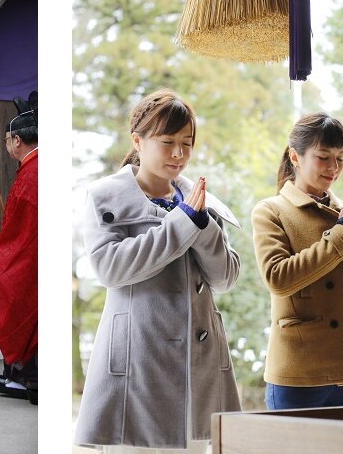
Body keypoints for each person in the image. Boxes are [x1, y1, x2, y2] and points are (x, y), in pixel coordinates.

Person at [74, 88, 242, 453]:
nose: (179, 154)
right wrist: (183, 223)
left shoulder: (202, 201)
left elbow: (225, 277)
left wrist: (202, 225)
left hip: (198, 366)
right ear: (138, 140)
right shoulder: (105, 197)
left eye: (187, 143)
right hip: (137, 366)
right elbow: (109, 268)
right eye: (168, 142)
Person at [251, 112, 343, 410]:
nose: (334, 167)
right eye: (323, 157)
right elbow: (278, 279)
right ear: (295, 157)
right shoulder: (271, 211)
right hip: (299, 372)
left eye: (340, 158)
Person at [0, 93, 39, 405]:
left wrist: (4, 257)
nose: (7, 145)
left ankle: (28, 380)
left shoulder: (31, 175)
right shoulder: (33, 170)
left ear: (17, 140)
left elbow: (21, 238)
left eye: (7, 140)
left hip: (31, 261)